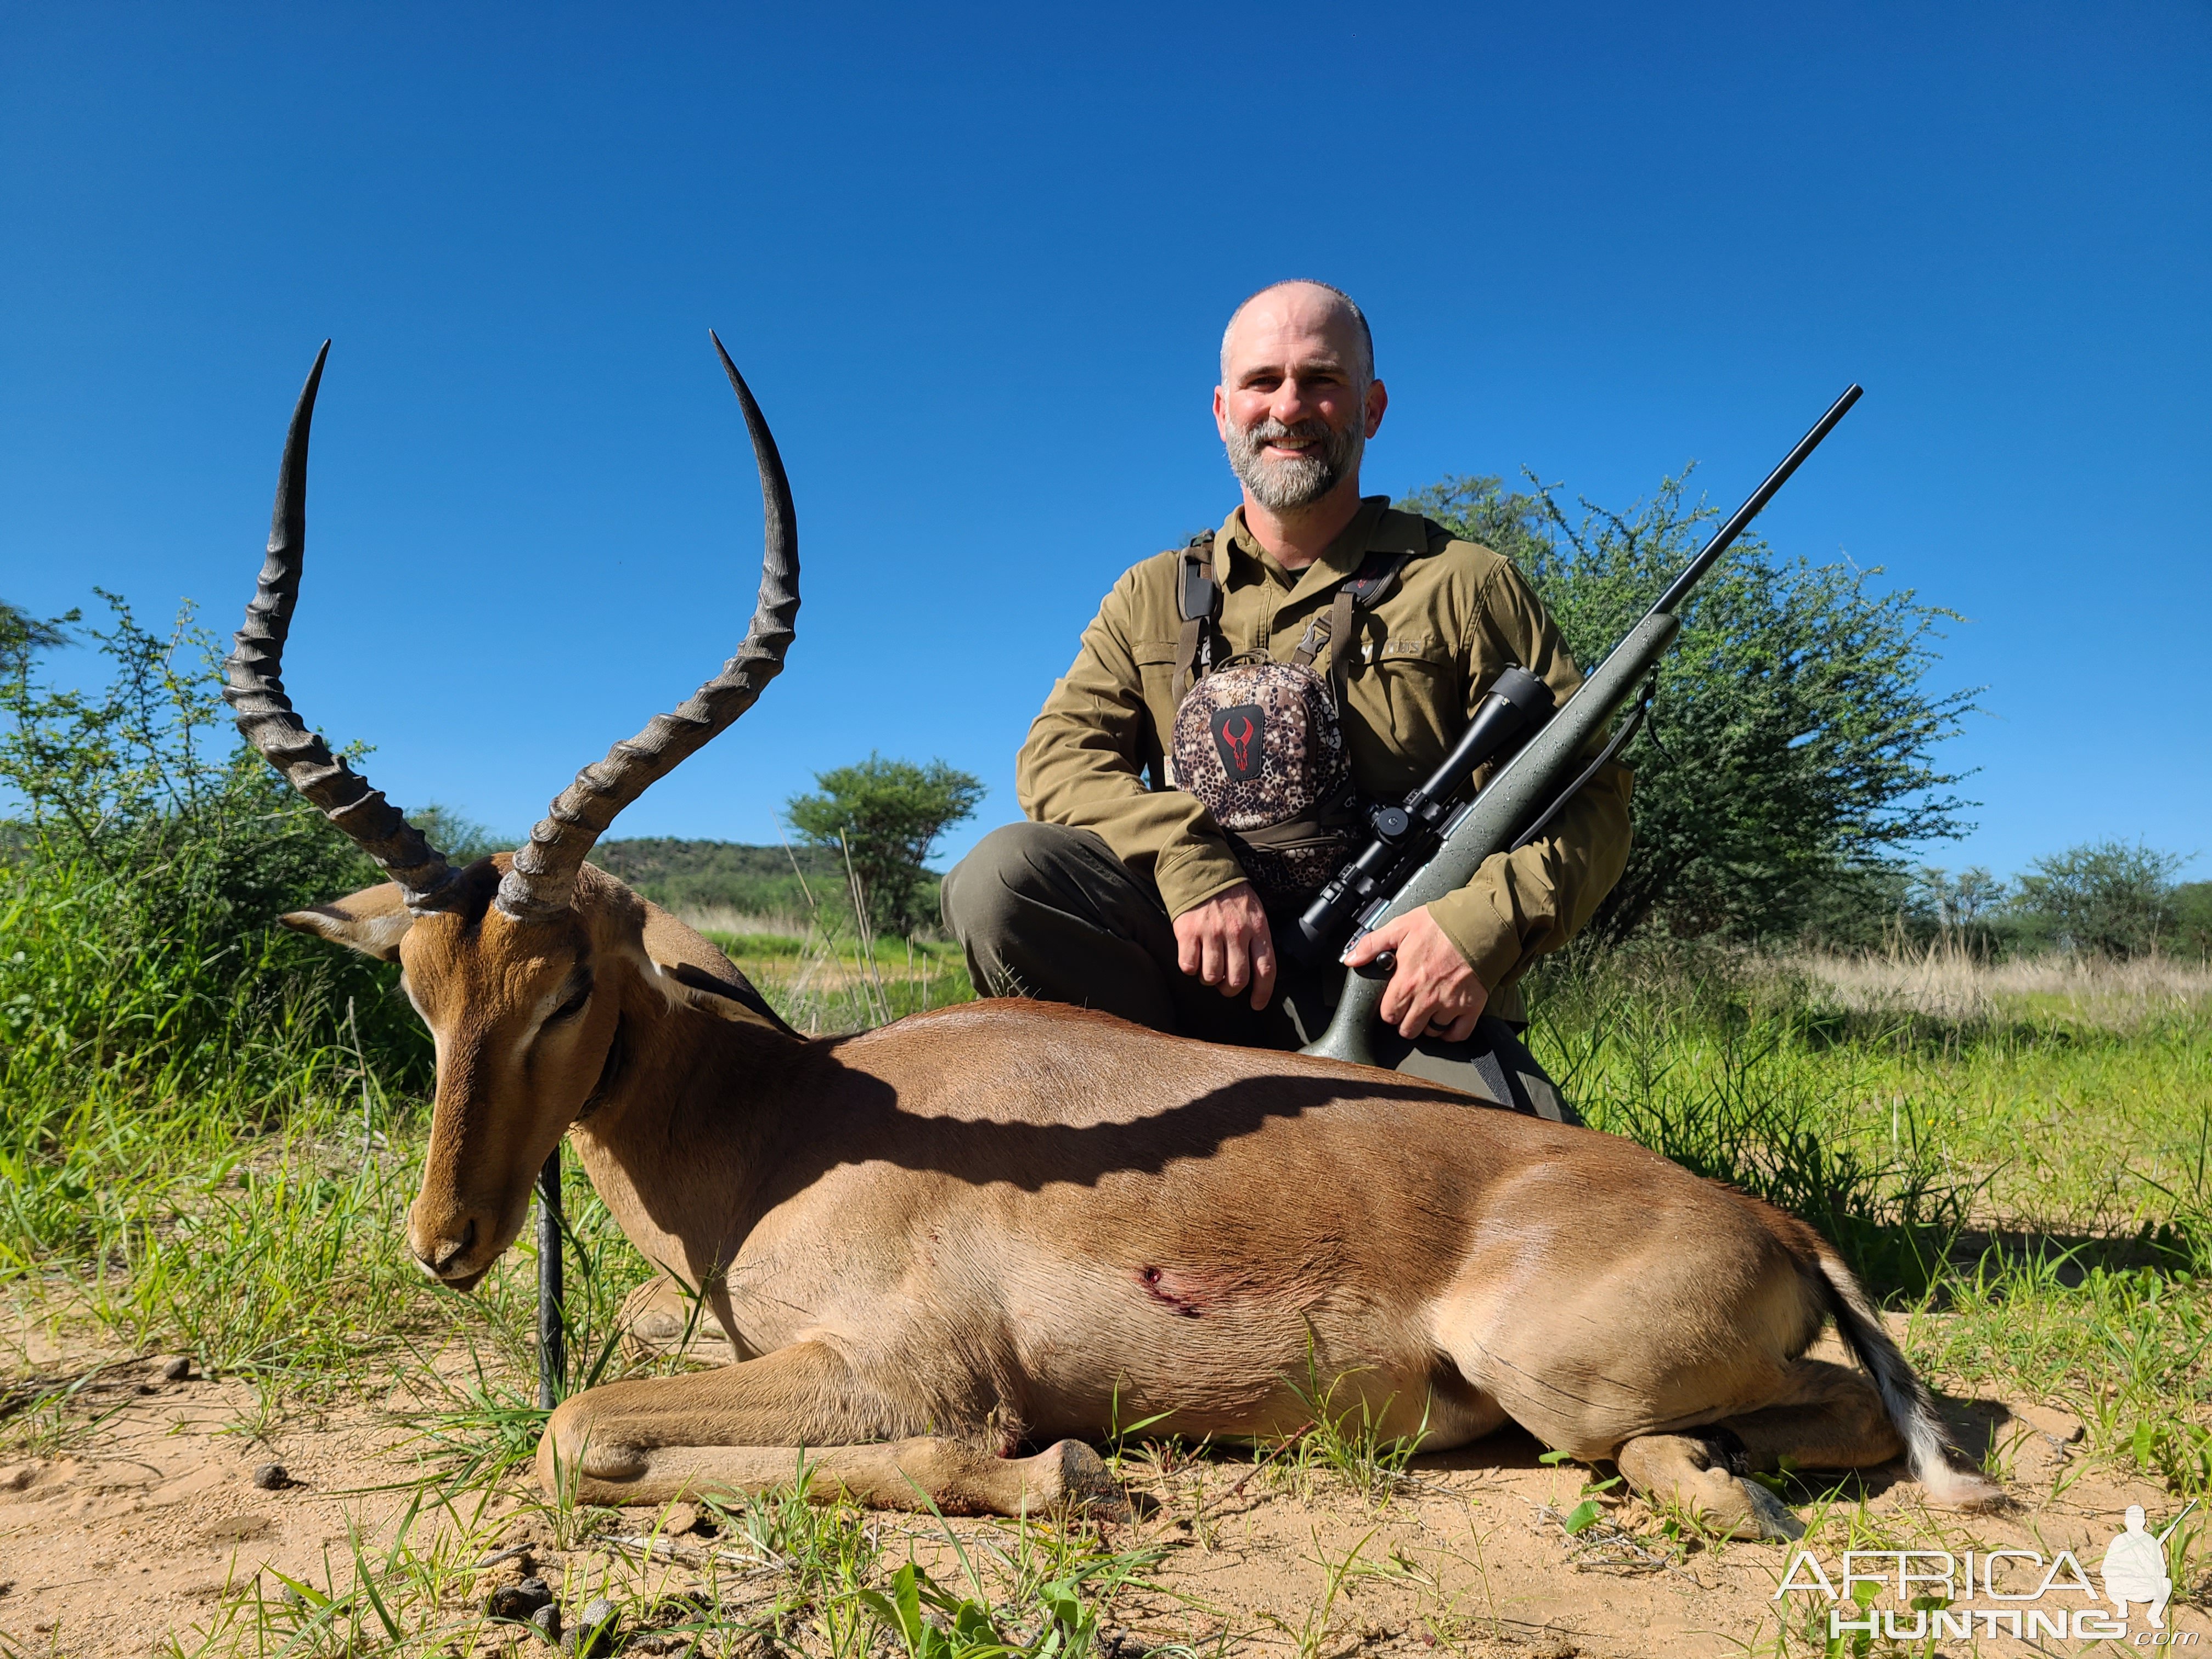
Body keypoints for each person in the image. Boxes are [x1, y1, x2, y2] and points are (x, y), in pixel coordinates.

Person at [942, 280, 1632, 1056]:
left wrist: (1478, 928)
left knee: (1527, 1179)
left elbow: (1591, 801)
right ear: (1222, 411)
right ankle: (1132, 1123)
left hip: (1394, 989)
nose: (1290, 406)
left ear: (1371, 408)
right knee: (1001, 877)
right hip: (1195, 969)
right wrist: (1186, 857)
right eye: (1263, 381)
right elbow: (1058, 758)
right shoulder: (1150, 594)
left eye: (1322, 380)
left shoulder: (1465, 583)